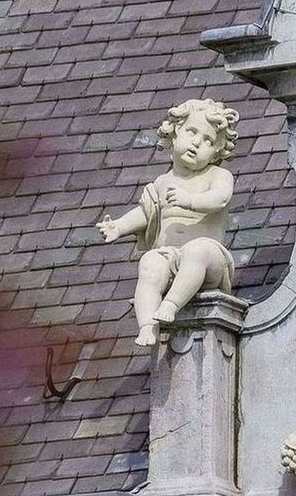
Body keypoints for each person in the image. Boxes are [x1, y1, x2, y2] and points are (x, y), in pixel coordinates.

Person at [92, 98, 240, 346]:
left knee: (197, 250)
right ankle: (148, 325)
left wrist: (189, 200)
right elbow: (145, 213)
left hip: (210, 261)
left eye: (208, 141)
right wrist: (118, 227)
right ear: (175, 132)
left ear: (217, 151)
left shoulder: (218, 175)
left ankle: (170, 304)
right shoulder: (162, 183)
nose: (197, 143)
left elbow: (220, 199)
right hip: (170, 255)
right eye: (192, 132)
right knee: (150, 263)